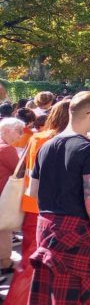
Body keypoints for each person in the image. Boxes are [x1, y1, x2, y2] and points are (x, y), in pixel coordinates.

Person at [28, 91, 90, 304]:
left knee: (49, 292)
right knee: (74, 294)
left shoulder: (45, 146)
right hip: (75, 228)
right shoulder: (89, 147)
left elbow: (33, 192)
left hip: (45, 225)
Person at [7, 100, 70, 304]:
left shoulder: (37, 138)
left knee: (29, 257)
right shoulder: (62, 141)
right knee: (37, 261)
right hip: (51, 208)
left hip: (30, 204)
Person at [0, 118, 23, 281]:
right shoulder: (7, 149)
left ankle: (5, 261)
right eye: (19, 131)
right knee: (4, 229)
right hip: (2, 196)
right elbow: (19, 170)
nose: (21, 135)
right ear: (8, 130)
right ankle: (5, 262)